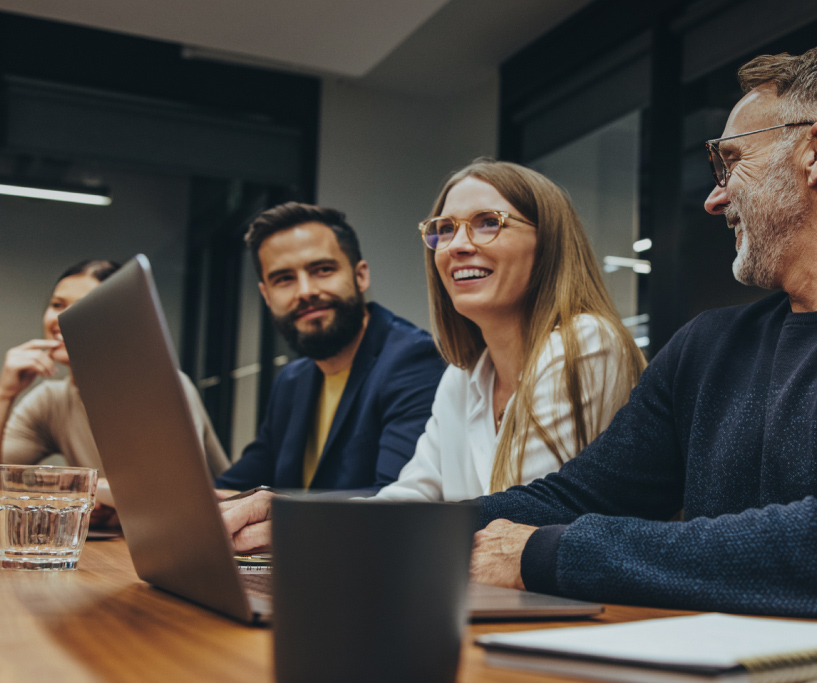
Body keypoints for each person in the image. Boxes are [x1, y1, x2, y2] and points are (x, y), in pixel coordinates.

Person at [467, 47, 817, 652]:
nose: (713, 200)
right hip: (765, 681)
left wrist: (552, 553)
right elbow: (572, 497)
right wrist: (413, 531)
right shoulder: (708, 347)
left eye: (730, 162)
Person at [220, 161, 647, 551]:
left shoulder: (586, 342)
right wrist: (292, 516)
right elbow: (408, 497)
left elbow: (523, 519)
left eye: (487, 223)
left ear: (548, 242)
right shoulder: (463, 376)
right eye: (444, 229)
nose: (456, 246)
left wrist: (308, 526)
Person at [214, 202, 445, 494]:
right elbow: (234, 485)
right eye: (284, 279)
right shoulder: (291, 380)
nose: (305, 291)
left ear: (360, 275)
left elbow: (395, 503)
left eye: (322, 270)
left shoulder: (414, 361)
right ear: (266, 295)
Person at [0, 260, 228, 524]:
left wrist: (78, 491)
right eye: (57, 305)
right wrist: (5, 394)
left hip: (206, 536)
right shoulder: (50, 400)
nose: (61, 319)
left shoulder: (163, 386)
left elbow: (173, 495)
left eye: (82, 308)